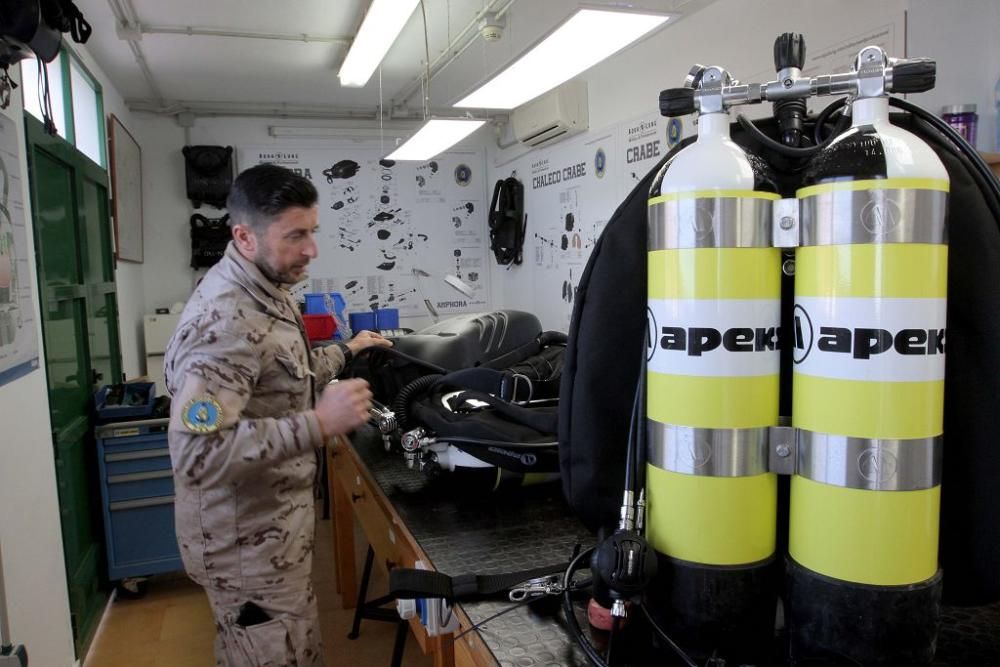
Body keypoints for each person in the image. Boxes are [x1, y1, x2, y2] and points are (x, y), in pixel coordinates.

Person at [164, 163, 391, 666]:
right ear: (244, 236)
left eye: (313, 232)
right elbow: (195, 453)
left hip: (273, 535)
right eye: (296, 236)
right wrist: (319, 423)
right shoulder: (222, 322)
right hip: (245, 551)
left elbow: (290, 372)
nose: (312, 249)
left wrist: (348, 349)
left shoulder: (265, 288)